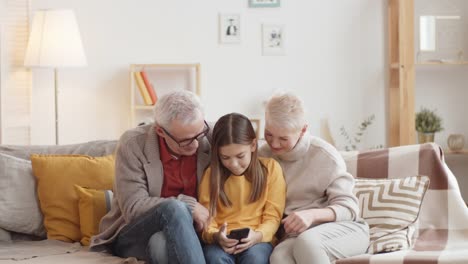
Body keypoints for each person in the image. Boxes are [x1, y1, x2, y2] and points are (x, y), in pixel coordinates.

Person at [89, 90, 211, 264]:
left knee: (160, 245)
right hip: (135, 232)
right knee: (175, 208)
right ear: (160, 131)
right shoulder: (133, 144)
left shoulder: (212, 135)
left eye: (200, 134)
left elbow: (248, 155)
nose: (196, 144)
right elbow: (134, 207)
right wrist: (189, 205)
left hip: (191, 233)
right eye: (185, 141)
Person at [259, 92, 370, 264]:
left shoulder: (325, 156)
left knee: (308, 243)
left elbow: (349, 209)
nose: (273, 144)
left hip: (342, 229)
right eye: (269, 134)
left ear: (303, 130)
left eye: (283, 138)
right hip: (295, 237)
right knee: (279, 257)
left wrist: (311, 215)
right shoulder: (261, 156)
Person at [198, 113, 286, 264]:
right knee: (216, 258)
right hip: (220, 242)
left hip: (258, 239)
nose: (234, 164)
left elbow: (273, 217)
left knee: (254, 258)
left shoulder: (271, 169)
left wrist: (258, 235)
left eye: (240, 156)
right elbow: (207, 222)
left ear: (253, 145)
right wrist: (216, 236)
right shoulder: (211, 174)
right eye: (225, 158)